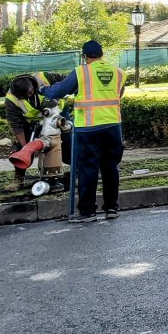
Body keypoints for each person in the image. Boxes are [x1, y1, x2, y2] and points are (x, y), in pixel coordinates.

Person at [42, 40, 126, 223]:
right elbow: (119, 94)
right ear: (102, 54)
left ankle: (88, 212)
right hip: (113, 126)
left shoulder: (81, 72)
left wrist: (43, 90)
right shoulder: (118, 72)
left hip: (88, 128)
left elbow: (60, 90)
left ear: (85, 56)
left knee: (88, 168)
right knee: (111, 167)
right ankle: (112, 208)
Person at [3, 72, 67, 192]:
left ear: (32, 86)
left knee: (71, 144)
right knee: (22, 150)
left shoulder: (45, 77)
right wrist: (26, 147)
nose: (29, 96)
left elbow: (68, 82)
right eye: (25, 96)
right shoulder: (11, 100)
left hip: (58, 117)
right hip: (33, 123)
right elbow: (16, 125)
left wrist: (59, 95)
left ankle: (80, 171)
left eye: (31, 93)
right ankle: (19, 179)